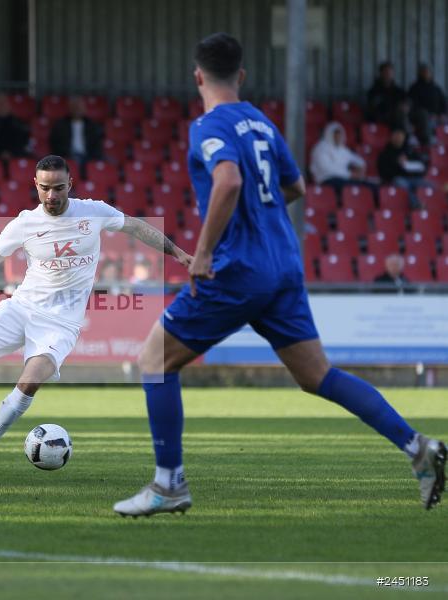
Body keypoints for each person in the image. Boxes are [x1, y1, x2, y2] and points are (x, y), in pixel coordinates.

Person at [113, 33, 446, 518]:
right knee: (317, 375)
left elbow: (228, 180)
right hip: (283, 264)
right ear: (242, 76)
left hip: (239, 268)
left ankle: (169, 484)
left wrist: (203, 253)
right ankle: (418, 447)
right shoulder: (261, 122)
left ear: (198, 76)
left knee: (155, 360)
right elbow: (296, 184)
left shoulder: (209, 124)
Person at [0, 155, 191, 475]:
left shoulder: (93, 211)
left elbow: (136, 226)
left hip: (61, 323)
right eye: (45, 188)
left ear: (70, 184)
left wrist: (177, 252)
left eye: (58, 188)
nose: (51, 195)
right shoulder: (25, 223)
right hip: (23, 307)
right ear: (36, 185)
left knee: (30, 380)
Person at [309, 122, 376, 197]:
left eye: (339, 134)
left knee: (371, 187)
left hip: (344, 179)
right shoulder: (321, 147)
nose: (338, 137)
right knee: (352, 187)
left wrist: (360, 168)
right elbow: (327, 169)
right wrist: (350, 174)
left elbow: (358, 160)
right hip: (326, 180)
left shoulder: (343, 149)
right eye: (335, 134)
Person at [377, 127, 431, 209]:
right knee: (401, 183)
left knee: (429, 184)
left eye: (400, 135)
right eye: (396, 135)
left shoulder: (409, 150)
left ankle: (437, 207)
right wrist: (398, 164)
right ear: (391, 136)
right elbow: (383, 173)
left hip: (413, 178)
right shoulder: (385, 153)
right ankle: (417, 205)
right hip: (396, 178)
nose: (398, 137)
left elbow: (420, 166)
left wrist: (409, 165)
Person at [49, 95, 103, 167]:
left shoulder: (92, 125)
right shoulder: (61, 125)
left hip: (88, 157)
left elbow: (96, 144)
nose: (77, 109)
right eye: (75, 107)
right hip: (68, 156)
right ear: (70, 108)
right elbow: (56, 144)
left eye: (79, 107)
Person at [408, 63, 448, 145]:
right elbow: (413, 106)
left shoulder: (436, 88)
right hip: (422, 119)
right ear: (420, 73)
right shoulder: (414, 88)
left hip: (437, 117)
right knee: (424, 116)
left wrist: (442, 114)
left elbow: (444, 103)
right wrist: (429, 115)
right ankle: (428, 143)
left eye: (427, 72)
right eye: (424, 72)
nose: (426, 74)